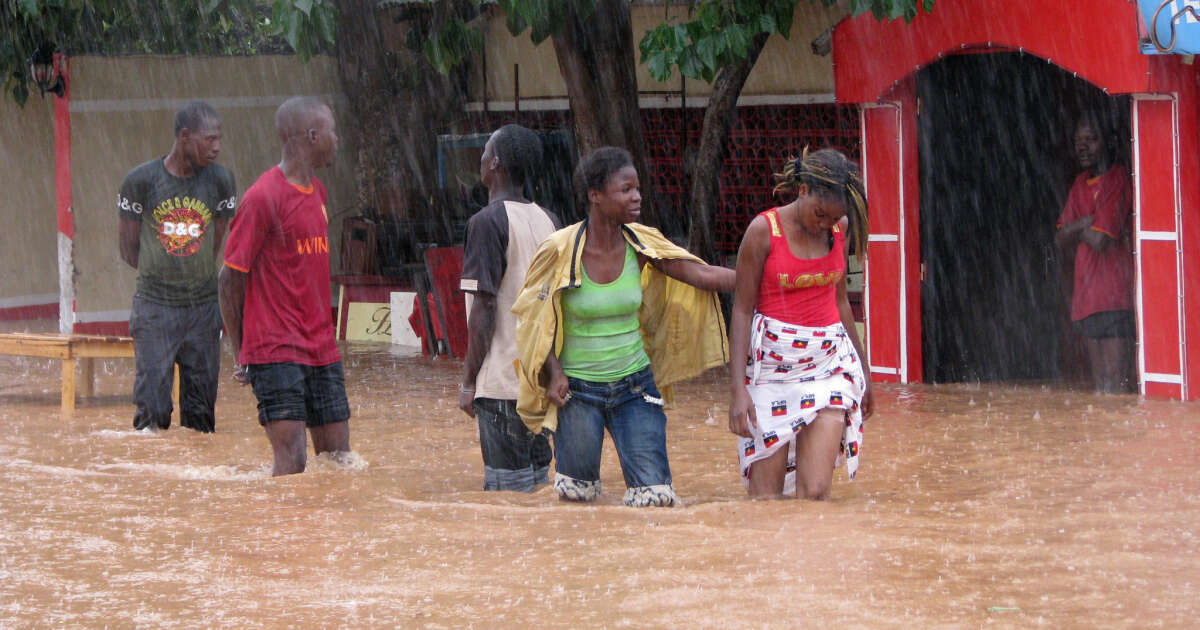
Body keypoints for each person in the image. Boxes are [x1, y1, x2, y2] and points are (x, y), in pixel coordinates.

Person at [513, 147, 735, 507]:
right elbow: (534, 322)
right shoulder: (558, 251)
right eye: (626, 189)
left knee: (656, 499)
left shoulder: (642, 243)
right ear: (595, 195)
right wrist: (553, 372)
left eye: (637, 188)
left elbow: (701, 273)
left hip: (636, 387)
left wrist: (762, 279)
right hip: (577, 392)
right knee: (576, 500)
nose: (637, 197)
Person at [727, 147, 873, 500]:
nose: (824, 225)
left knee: (816, 494)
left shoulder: (841, 228)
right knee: (765, 499)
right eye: (819, 214)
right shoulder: (763, 231)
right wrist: (737, 391)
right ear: (803, 190)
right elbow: (743, 310)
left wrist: (865, 373)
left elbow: (840, 303)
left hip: (828, 366)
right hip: (771, 373)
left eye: (832, 219)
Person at [218, 96, 350, 476]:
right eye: (332, 131)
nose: (337, 139)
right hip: (274, 351)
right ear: (311, 136)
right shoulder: (262, 197)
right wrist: (241, 350)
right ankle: (283, 535)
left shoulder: (319, 193)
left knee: (340, 464)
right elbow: (229, 278)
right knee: (292, 463)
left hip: (322, 350)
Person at [118, 101, 237, 433]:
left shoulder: (221, 181)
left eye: (219, 139)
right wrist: (165, 272)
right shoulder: (140, 181)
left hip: (202, 309)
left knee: (201, 415)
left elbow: (215, 240)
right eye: (209, 139)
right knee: (152, 410)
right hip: (155, 308)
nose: (216, 148)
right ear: (184, 136)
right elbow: (128, 249)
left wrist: (190, 272)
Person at [458, 124, 560, 491]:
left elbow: (484, 308)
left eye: (485, 151)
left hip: (502, 384)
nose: (481, 159)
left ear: (495, 163)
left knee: (507, 501)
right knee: (537, 489)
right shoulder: (550, 220)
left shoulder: (485, 223)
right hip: (543, 382)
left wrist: (470, 381)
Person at [1055, 113, 1135, 394]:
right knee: (1101, 388)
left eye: (1091, 139)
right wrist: (1085, 222)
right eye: (1078, 141)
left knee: (1115, 386)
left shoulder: (1118, 178)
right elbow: (1060, 237)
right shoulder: (1080, 183)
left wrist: (1077, 227)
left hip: (1114, 298)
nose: (1083, 147)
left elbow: (1101, 240)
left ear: (1108, 142)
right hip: (1086, 299)